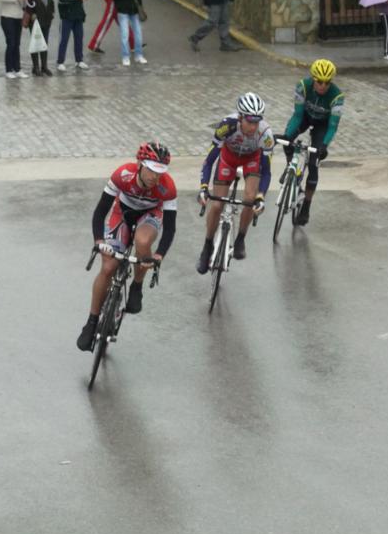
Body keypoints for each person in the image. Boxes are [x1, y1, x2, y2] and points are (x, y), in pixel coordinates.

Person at [76, 142, 177, 352]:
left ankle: (136, 286)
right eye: (151, 170)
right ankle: (92, 321)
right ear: (140, 164)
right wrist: (99, 242)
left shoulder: (167, 187)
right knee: (108, 267)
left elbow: (170, 228)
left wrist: (159, 255)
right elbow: (100, 211)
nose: (155, 177)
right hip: (121, 213)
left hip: (149, 216)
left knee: (142, 242)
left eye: (160, 172)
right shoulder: (122, 175)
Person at [195, 92, 273, 274]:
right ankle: (207, 246)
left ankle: (240, 238)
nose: (253, 126)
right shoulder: (226, 126)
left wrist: (261, 197)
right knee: (216, 205)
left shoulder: (265, 134)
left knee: (249, 198)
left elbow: (267, 171)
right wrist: (204, 187)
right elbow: (209, 160)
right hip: (228, 159)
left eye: (257, 121)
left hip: (251, 160)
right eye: (249, 121)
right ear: (240, 117)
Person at [279, 59, 343, 226]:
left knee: (314, 163)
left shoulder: (337, 96)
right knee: (287, 140)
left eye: (326, 82)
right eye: (319, 81)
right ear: (313, 79)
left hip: (323, 125)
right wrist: (288, 135)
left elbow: (333, 126)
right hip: (305, 117)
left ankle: (306, 206)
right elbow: (297, 115)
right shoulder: (303, 86)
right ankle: (290, 169)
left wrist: (324, 146)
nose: (322, 86)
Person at [108, 0, 149, 67]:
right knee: (125, 35)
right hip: (123, 10)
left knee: (138, 34)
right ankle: (125, 56)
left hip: (135, 10)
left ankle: (138, 55)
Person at [56, 0, 90, 72]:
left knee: (79, 38)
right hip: (67, 15)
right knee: (64, 39)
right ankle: (60, 62)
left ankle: (79, 60)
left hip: (79, 14)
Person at [0, 0, 30, 79]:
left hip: (18, 17)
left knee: (17, 44)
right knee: (11, 43)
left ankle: (17, 69)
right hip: (7, 17)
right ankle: (8, 70)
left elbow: (23, 5)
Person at [24, 0, 54, 76]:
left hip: (46, 21)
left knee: (44, 44)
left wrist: (52, 15)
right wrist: (32, 15)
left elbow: (51, 4)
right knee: (35, 44)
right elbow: (27, 5)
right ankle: (35, 67)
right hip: (35, 22)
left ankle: (44, 66)